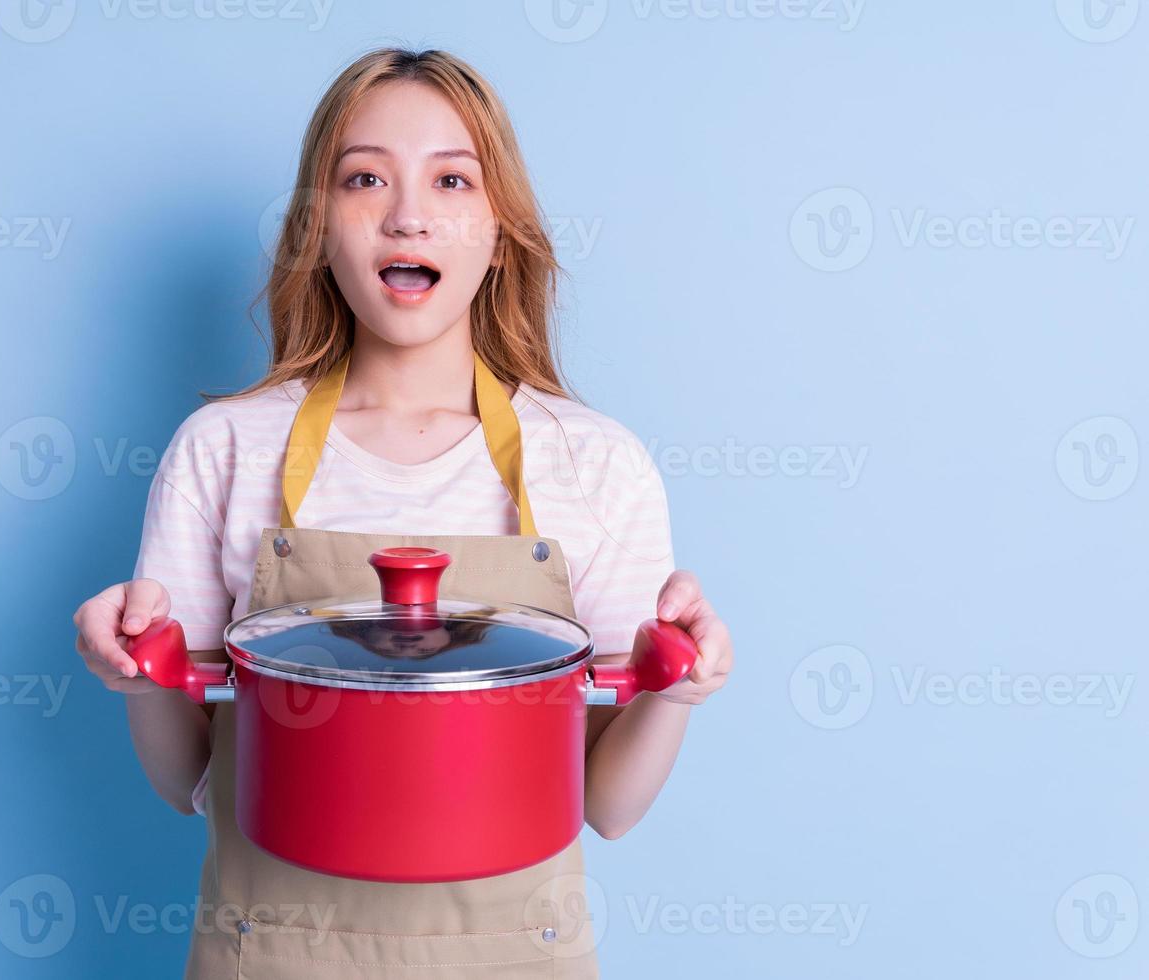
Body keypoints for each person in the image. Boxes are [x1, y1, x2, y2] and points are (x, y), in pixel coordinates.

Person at [72, 46, 734, 979]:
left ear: (497, 232)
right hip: (272, 956)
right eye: (365, 178)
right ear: (318, 227)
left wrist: (677, 687)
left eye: (452, 179)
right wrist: (137, 669)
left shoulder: (594, 462)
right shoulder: (224, 450)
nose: (407, 215)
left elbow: (609, 806)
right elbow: (185, 779)